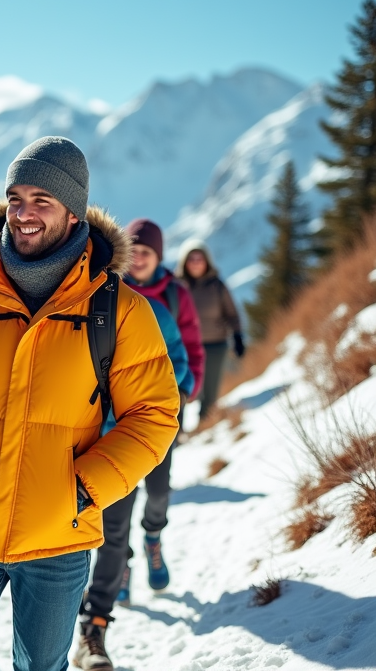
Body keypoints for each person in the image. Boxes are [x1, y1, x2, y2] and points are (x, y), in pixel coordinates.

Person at [0, 136, 181, 671]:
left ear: (73, 213)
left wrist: (83, 488)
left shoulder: (119, 310)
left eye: (41, 200)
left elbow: (154, 414)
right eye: (15, 198)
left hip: (59, 535)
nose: (23, 214)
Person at [75, 300, 194, 671]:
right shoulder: (63, 303)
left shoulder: (145, 310)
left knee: (113, 532)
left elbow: (179, 358)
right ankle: (67, 618)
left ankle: (94, 627)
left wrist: (169, 397)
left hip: (123, 444)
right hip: (65, 445)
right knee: (69, 538)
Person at [121, 218, 205, 592]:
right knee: (119, 490)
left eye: (146, 253)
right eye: (133, 251)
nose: (138, 259)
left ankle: (153, 539)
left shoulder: (175, 295)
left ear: (158, 257)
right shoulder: (111, 288)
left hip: (164, 408)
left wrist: (186, 390)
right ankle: (117, 562)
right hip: (114, 411)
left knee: (158, 488)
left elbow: (192, 347)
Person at [177, 239, 245, 421]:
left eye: (200, 258)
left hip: (215, 345)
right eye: (191, 259)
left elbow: (232, 313)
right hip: (185, 347)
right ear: (185, 262)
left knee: (210, 390)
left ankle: (204, 425)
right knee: (181, 387)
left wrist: (238, 335)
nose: (196, 262)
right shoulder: (177, 286)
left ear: (207, 261)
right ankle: (178, 429)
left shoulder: (217, 286)